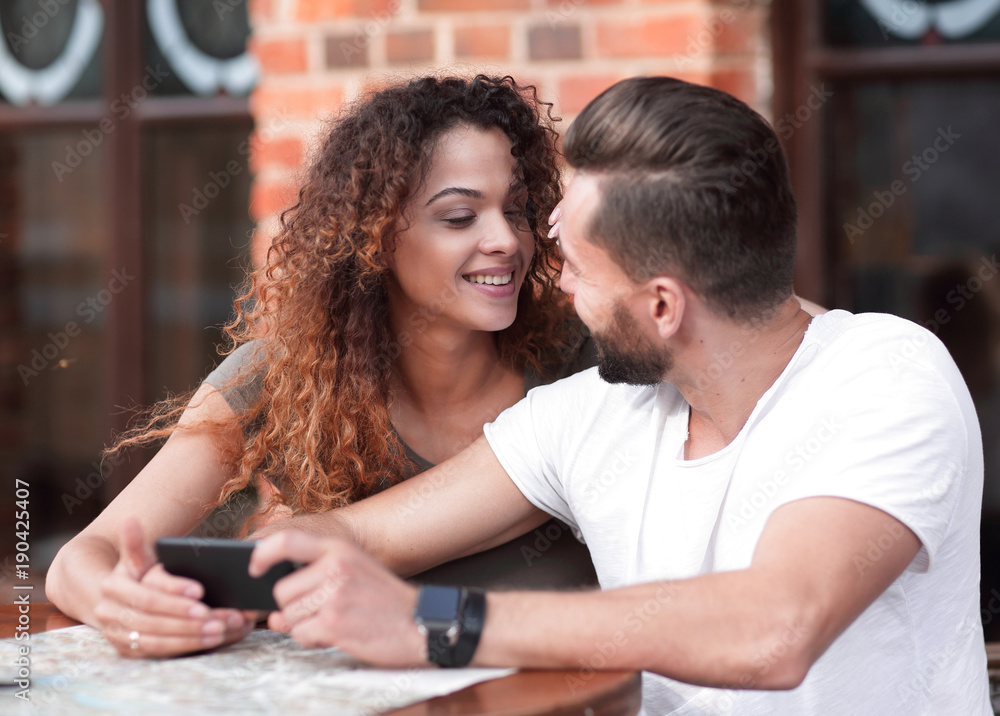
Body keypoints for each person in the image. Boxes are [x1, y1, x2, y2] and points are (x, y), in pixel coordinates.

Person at [244, 77, 990, 715]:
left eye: (577, 266)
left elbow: (775, 627)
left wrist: (434, 621)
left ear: (663, 307)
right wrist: (232, 576)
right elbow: (360, 537)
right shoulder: (596, 414)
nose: (557, 283)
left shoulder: (886, 377)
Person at [45, 74, 600, 659]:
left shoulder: (583, 363)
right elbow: (82, 558)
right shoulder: (282, 379)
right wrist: (122, 603)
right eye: (460, 217)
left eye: (517, 211)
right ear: (377, 238)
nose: (506, 241)